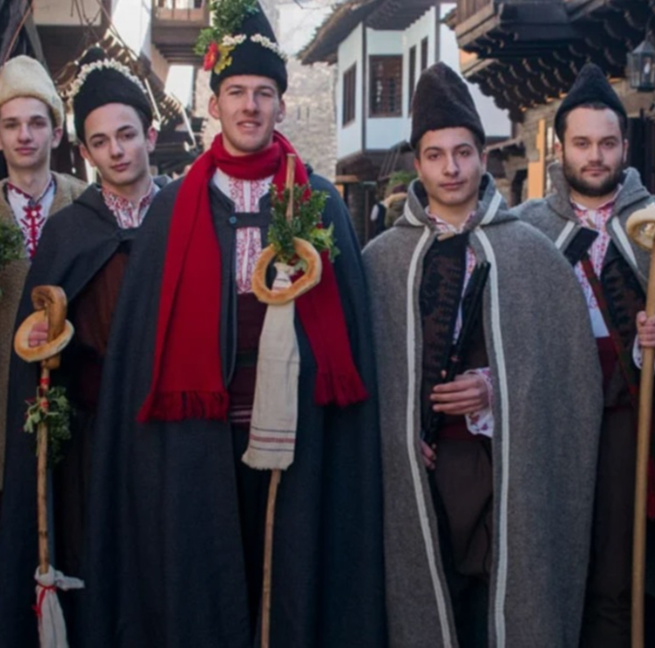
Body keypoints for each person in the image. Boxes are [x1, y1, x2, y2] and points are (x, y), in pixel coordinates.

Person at [72, 3, 387, 644]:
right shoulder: (171, 210)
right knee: (209, 586)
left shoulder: (319, 203)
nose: (250, 106)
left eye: (264, 94)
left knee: (289, 577)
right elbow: (140, 351)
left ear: (281, 105)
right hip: (199, 443)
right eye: (236, 92)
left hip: (302, 439)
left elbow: (352, 342)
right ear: (214, 105)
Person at [365, 62, 601, 647]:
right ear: (417, 163)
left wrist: (496, 391)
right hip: (417, 474)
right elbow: (364, 373)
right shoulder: (379, 262)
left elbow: (569, 376)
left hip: (506, 470)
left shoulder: (531, 252)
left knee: (499, 610)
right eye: (436, 154)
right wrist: (396, 428)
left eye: (463, 152)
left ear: (484, 156)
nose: (451, 167)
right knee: (430, 603)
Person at [514, 63, 655, 646]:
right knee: (549, 570)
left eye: (608, 143)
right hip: (548, 427)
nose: (595, 157)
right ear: (559, 146)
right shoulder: (526, 231)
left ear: (625, 146)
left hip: (628, 423)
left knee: (616, 575)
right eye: (583, 143)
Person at [0, 46, 169, 645]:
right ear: (87, 151)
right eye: (100, 142)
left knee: (165, 566)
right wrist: (48, 341)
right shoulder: (75, 228)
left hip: (170, 431)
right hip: (95, 441)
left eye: (126, 135)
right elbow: (44, 339)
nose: (116, 151)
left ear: (150, 134)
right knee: (102, 565)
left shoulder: (183, 217)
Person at [0, 55, 86, 495]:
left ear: (55, 132)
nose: (24, 135)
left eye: (36, 123)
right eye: (11, 124)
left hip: (76, 389)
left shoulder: (88, 204)